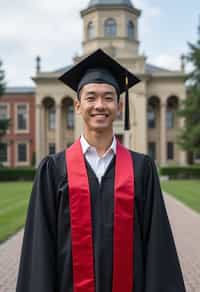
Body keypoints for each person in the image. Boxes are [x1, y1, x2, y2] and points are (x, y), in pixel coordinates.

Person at [16, 49, 186, 292]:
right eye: (91, 97)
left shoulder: (142, 170)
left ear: (119, 106)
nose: (99, 105)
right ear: (77, 105)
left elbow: (158, 248)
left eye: (108, 98)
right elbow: (40, 250)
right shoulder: (53, 171)